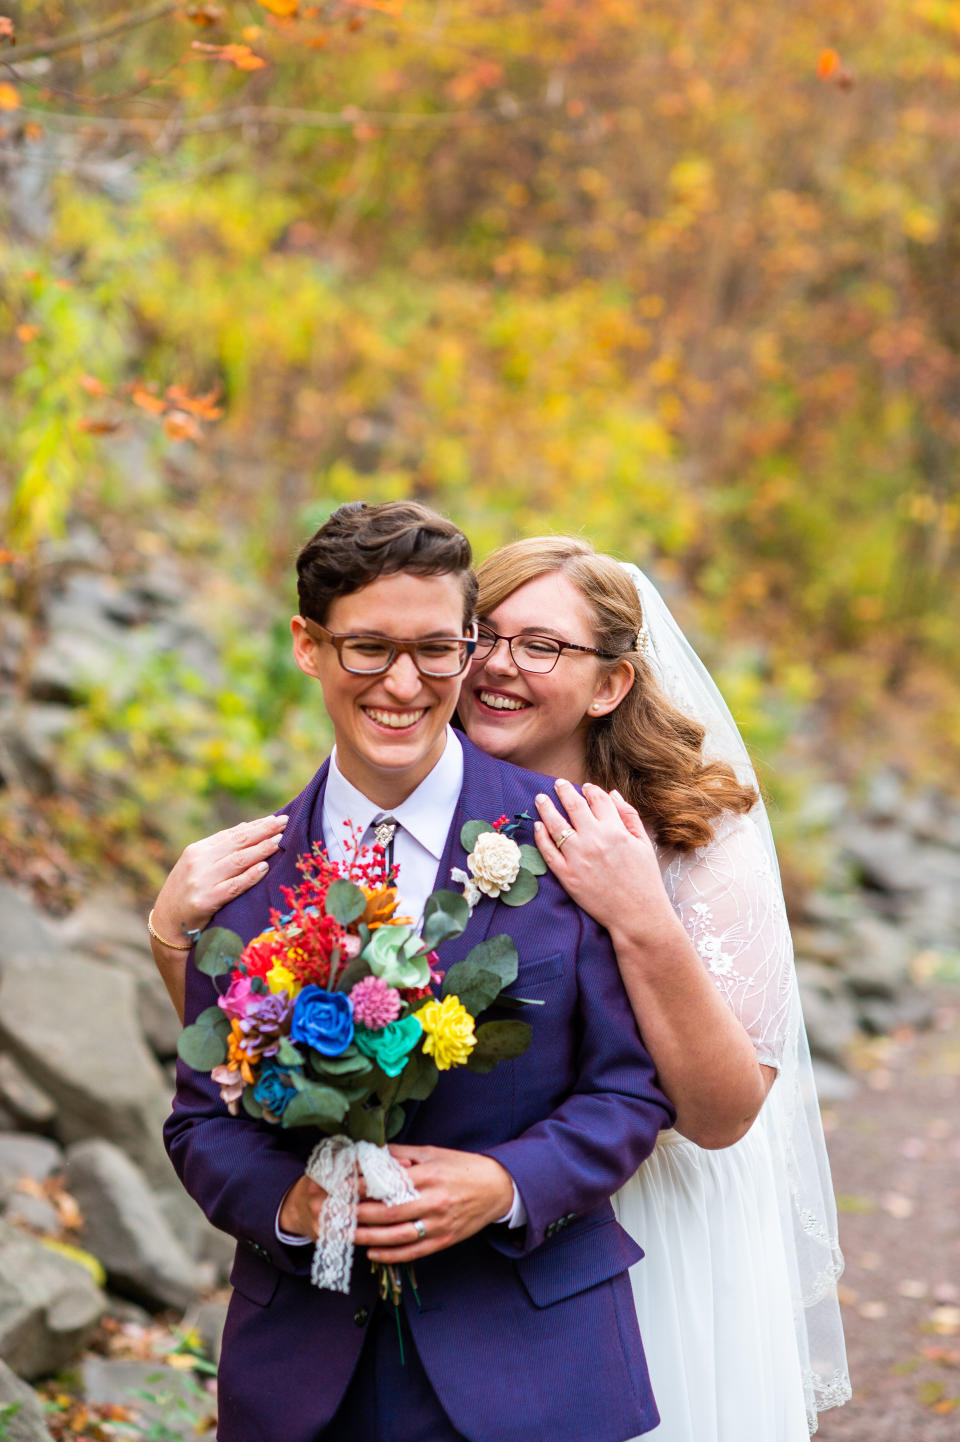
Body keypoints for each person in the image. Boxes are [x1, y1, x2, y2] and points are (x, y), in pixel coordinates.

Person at [153, 528, 851, 1441]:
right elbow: (225, 1088)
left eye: (544, 646)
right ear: (311, 647)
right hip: (311, 1354)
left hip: (575, 1270)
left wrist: (509, 1181)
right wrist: (175, 940)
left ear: (611, 683)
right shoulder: (265, 859)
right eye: (488, 640)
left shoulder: (607, 850)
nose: (492, 669)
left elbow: (693, 1107)